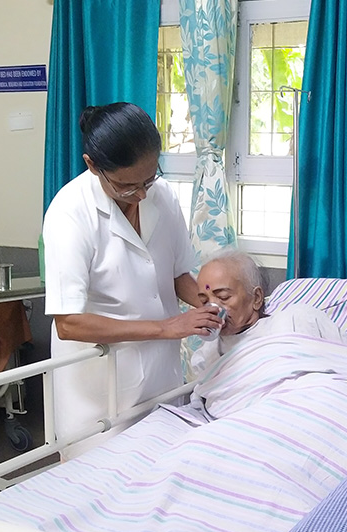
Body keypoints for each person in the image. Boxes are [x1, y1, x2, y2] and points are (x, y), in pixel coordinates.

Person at [43, 102, 221, 458]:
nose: (141, 194)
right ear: (93, 165)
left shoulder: (163, 195)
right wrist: (168, 327)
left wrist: (211, 304)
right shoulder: (69, 215)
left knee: (160, 472)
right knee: (101, 485)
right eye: (127, 185)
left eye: (148, 179)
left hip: (161, 376)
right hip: (99, 391)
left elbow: (179, 275)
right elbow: (69, 322)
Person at [190, 250, 347, 372]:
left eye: (223, 297)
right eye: (205, 301)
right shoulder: (209, 353)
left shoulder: (295, 321)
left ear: (257, 298)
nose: (213, 308)